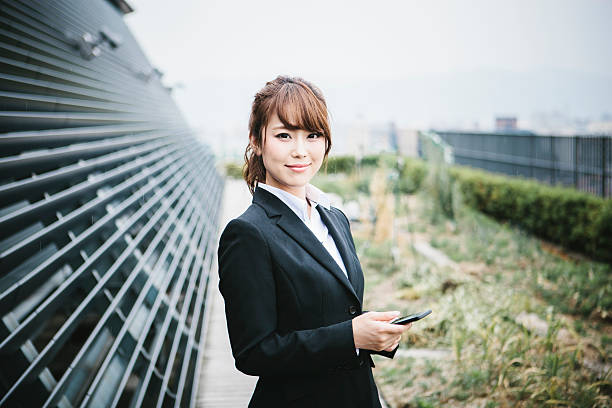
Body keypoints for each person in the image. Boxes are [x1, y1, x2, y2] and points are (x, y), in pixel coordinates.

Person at [217, 75, 410, 408]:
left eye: (312, 135)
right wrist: (350, 336)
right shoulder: (248, 233)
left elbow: (334, 311)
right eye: (283, 135)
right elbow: (253, 352)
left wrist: (374, 335)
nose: (300, 150)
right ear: (256, 141)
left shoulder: (333, 217)